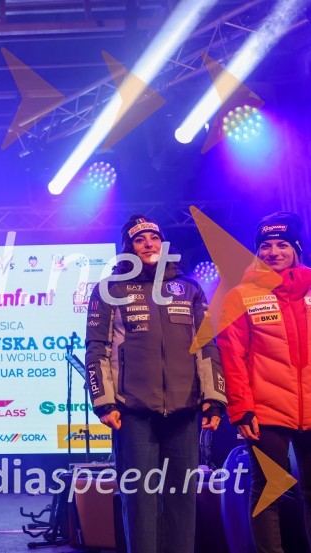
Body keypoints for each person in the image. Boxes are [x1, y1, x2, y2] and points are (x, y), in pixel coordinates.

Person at [85, 214, 226, 553]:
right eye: (139, 239)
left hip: (184, 411)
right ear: (128, 249)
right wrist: (104, 402)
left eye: (153, 237)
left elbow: (207, 346)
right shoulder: (109, 290)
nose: (148, 244)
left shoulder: (189, 288)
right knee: (139, 501)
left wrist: (214, 398)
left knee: (182, 499)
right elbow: (97, 348)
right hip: (134, 413)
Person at [218, 211, 311, 553]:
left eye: (282, 245)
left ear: (296, 248)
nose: (273, 252)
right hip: (266, 410)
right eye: (266, 246)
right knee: (268, 489)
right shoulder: (241, 295)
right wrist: (241, 409)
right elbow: (232, 357)